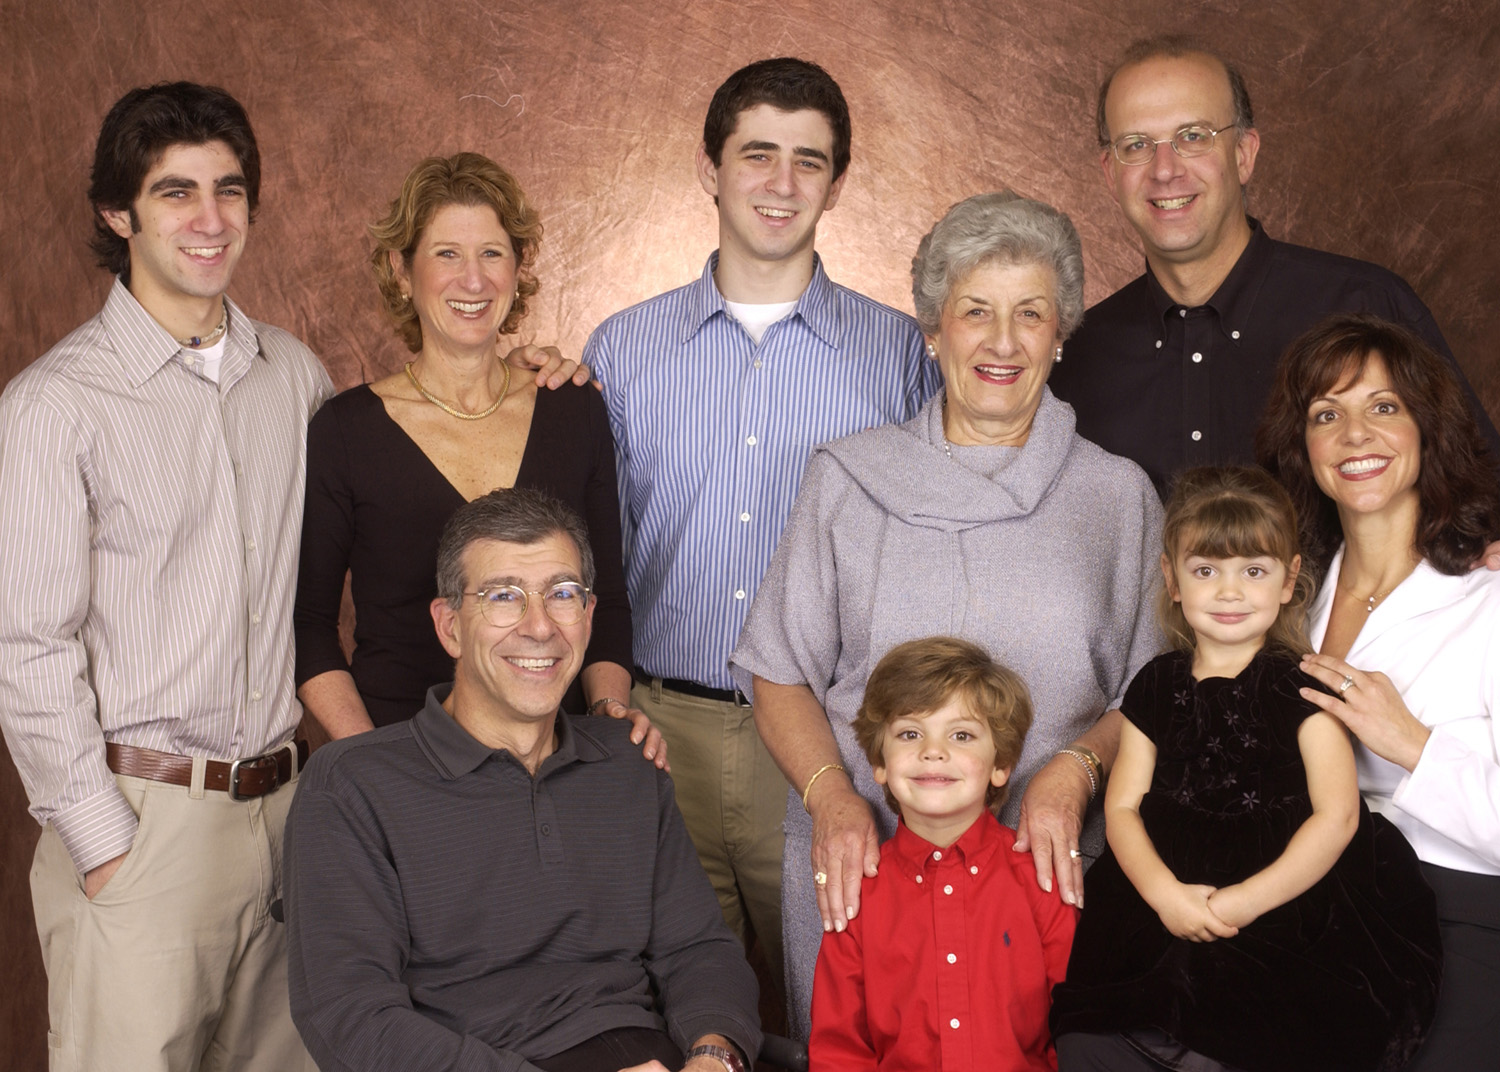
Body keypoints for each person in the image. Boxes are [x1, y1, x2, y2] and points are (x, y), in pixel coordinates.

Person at [730, 190, 1163, 1036]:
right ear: (933, 331)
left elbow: (1151, 693)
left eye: (1030, 313)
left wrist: (1075, 772)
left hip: (1047, 876)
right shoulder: (847, 480)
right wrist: (832, 799)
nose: (1003, 341)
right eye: (975, 312)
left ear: (1060, 335)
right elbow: (778, 672)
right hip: (866, 869)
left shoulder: (1117, 496)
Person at [583, 57, 940, 997]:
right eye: (757, 155)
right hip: (661, 736)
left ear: (837, 183)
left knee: (839, 1010)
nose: (782, 184)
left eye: (808, 161)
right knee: (667, 1010)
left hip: (833, 745)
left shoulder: (900, 355)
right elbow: (589, 552)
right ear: (710, 167)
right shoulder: (622, 349)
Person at [0, 82, 331, 1071]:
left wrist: (517, 378)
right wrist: (103, 840)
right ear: (120, 213)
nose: (210, 219)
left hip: (289, 822)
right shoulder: (54, 405)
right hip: (142, 824)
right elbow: (25, 644)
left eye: (228, 190)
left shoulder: (295, 377)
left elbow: (394, 486)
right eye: (175, 192)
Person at [285, 487, 760, 1072]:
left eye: (562, 594)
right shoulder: (352, 785)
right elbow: (350, 1019)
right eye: (503, 596)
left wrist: (713, 1056)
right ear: (450, 626)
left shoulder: (629, 761)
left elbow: (699, 949)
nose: (539, 627)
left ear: (588, 616)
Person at [1051, 465, 1440, 1072]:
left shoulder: (1302, 687)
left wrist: (1243, 903)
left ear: (1289, 579)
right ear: (1171, 579)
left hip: (1280, 888)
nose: (1229, 592)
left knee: (1248, 1023)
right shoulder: (1155, 684)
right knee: (1106, 1027)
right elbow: (1123, 806)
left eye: (1253, 571)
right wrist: (1164, 895)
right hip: (1165, 883)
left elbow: (1337, 817)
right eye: (1206, 571)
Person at [294, 152, 650, 753]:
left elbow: (607, 600)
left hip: (551, 759)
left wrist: (608, 718)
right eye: (446, 254)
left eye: (491, 253)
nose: (474, 280)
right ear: (401, 271)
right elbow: (309, 627)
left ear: (518, 267)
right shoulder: (345, 430)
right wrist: (369, 763)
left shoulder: (573, 410)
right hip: (397, 756)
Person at [1050, 35, 1500, 502]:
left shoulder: (1367, 306)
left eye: (1193, 137)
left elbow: (1486, 494)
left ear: (1244, 154)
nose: (1164, 170)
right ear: (1110, 172)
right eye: (1136, 144)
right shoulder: (1076, 359)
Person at [1256, 314, 1500, 1069]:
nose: (1355, 434)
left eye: (1384, 406)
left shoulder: (1489, 600)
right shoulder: (1277, 603)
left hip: (1455, 916)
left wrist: (1413, 746)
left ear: (1429, 428)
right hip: (1303, 908)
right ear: (1304, 448)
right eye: (1326, 415)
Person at [810, 637, 1077, 1071]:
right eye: (910, 733)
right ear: (880, 762)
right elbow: (839, 1051)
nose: (933, 750)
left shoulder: (1042, 879)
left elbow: (1076, 1032)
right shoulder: (856, 894)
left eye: (961, 735)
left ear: (1000, 765)